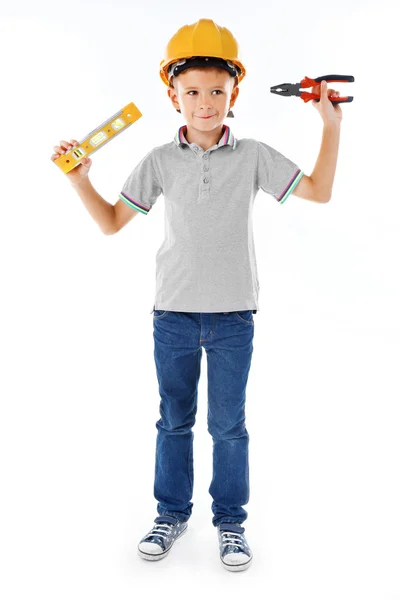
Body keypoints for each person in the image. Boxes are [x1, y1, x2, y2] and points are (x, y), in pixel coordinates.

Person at [50, 18, 342, 573]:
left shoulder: (253, 154)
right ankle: (171, 514)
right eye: (192, 92)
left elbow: (320, 192)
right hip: (173, 316)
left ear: (234, 94)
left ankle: (230, 524)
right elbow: (113, 222)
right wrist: (79, 179)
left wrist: (330, 126)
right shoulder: (160, 160)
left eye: (216, 91)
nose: (204, 103)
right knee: (173, 421)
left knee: (229, 425)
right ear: (173, 96)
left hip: (234, 316)